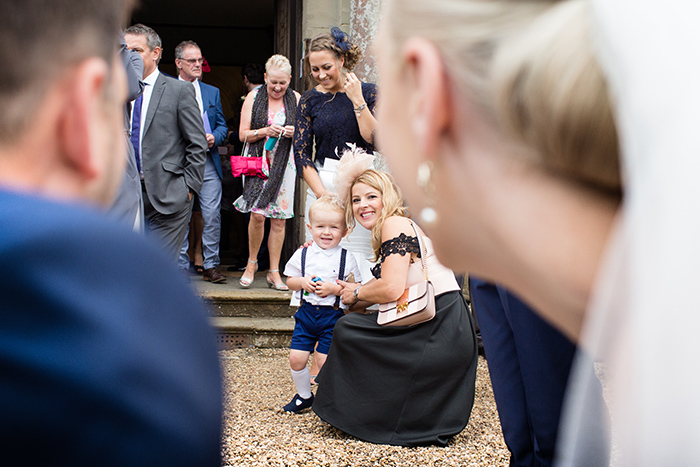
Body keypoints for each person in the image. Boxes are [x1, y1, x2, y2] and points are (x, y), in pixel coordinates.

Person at [371, 0, 621, 463]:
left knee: (554, 421)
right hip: (496, 253)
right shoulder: (482, 248)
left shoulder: (550, 252)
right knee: (520, 417)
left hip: (529, 249)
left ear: (427, 92)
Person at [0, 0, 222, 464]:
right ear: (85, 104)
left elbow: (195, 146)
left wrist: (187, 190)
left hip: (164, 197)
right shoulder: (137, 315)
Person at [312, 150, 478, 447]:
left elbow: (390, 289)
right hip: (439, 324)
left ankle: (353, 413)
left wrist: (357, 293)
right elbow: (388, 289)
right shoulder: (393, 227)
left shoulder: (394, 224)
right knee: (353, 323)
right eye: (356, 199)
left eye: (370, 196)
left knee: (348, 330)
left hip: (438, 326)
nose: (363, 205)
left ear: (386, 197)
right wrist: (348, 295)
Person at [293, 27, 379, 280]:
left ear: (341, 61)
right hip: (322, 181)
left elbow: (376, 140)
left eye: (326, 67)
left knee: (360, 258)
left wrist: (357, 100)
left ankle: (358, 315)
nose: (320, 75)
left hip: (361, 185)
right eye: (315, 69)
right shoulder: (309, 100)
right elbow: (301, 152)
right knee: (322, 257)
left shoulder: (369, 92)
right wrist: (322, 194)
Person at [124, 24, 207, 262]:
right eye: (125, 51)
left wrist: (189, 189)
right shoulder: (115, 92)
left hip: (169, 197)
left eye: (136, 50)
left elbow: (196, 143)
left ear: (156, 53)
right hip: (125, 196)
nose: (130, 57)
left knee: (156, 270)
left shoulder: (178, 91)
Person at [281, 194, 362, 413]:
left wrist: (334, 289)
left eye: (334, 227)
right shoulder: (303, 253)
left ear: (344, 231)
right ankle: (304, 396)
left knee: (326, 362)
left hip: (332, 316)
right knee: (297, 358)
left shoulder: (347, 257)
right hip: (306, 315)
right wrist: (303, 282)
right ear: (310, 227)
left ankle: (329, 400)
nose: (326, 232)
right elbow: (289, 281)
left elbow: (356, 289)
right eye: (320, 226)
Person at [235, 54, 300, 290]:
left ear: (290, 79)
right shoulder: (253, 97)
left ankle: (274, 272)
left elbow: (305, 137)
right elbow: (242, 135)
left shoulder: (296, 99)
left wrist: (296, 133)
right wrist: (264, 130)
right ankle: (251, 265)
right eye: (273, 82)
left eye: (283, 82)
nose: (277, 87)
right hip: (258, 162)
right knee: (257, 215)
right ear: (265, 77)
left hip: (285, 164)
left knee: (279, 220)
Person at [175, 40, 229, 283]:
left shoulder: (212, 92)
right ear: (179, 63)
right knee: (179, 215)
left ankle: (210, 265)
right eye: (192, 61)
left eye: (200, 60)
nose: (198, 64)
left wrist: (213, 138)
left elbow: (222, 127)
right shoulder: (166, 89)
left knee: (212, 215)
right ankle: (178, 266)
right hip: (177, 164)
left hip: (207, 162)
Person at [109, 31, 145, 232]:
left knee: (123, 216)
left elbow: (130, 89)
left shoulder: (130, 57)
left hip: (115, 143)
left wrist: (118, 43)